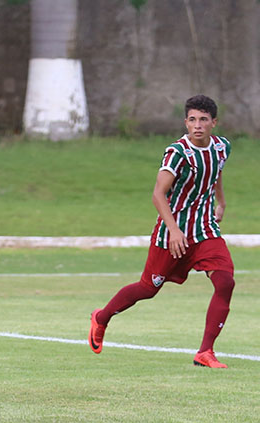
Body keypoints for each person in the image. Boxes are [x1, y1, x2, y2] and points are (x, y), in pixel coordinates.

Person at [89, 94, 235, 368]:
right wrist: (174, 230)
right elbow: (158, 194)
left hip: (204, 231)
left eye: (204, 120)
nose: (198, 125)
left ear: (214, 122)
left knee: (226, 281)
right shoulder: (177, 153)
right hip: (172, 234)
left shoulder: (222, 147)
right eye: (192, 120)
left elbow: (216, 173)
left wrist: (221, 202)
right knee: (148, 287)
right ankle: (102, 317)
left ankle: (205, 351)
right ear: (186, 122)